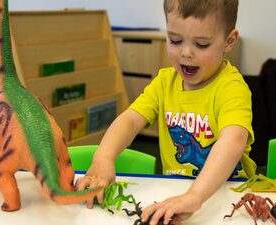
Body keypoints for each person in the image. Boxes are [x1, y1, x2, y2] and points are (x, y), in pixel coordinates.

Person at [76, 0, 257, 224]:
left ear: (229, 41)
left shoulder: (232, 88)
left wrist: (195, 196)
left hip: (230, 197)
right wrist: (104, 156)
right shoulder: (164, 82)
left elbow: (233, 141)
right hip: (176, 191)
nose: (186, 53)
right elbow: (131, 120)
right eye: (175, 40)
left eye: (201, 44)